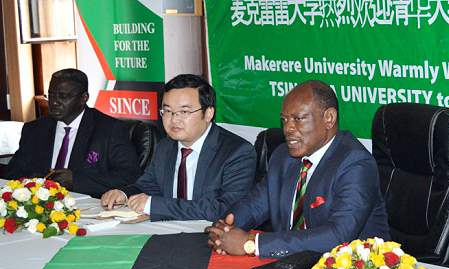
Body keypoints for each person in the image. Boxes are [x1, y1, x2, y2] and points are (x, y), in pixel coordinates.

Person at [205, 80, 390, 257]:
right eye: (284, 120)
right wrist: (224, 230)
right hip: (292, 267)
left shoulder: (355, 163)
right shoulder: (283, 156)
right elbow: (253, 206)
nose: (288, 129)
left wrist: (253, 244)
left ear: (329, 118)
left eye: (298, 119)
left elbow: (338, 236)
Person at [101, 74, 256, 221]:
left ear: (208, 113)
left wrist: (154, 205)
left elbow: (227, 209)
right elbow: (149, 186)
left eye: (184, 111)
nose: (174, 119)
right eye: (168, 111)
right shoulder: (165, 146)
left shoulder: (237, 152)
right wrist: (123, 194)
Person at [4, 69, 141, 198]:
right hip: (40, 207)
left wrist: (75, 180)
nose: (54, 102)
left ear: (84, 98)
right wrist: (36, 181)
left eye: (63, 97)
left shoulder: (109, 129)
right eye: (50, 96)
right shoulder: (34, 129)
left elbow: (129, 175)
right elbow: (13, 172)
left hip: (89, 206)